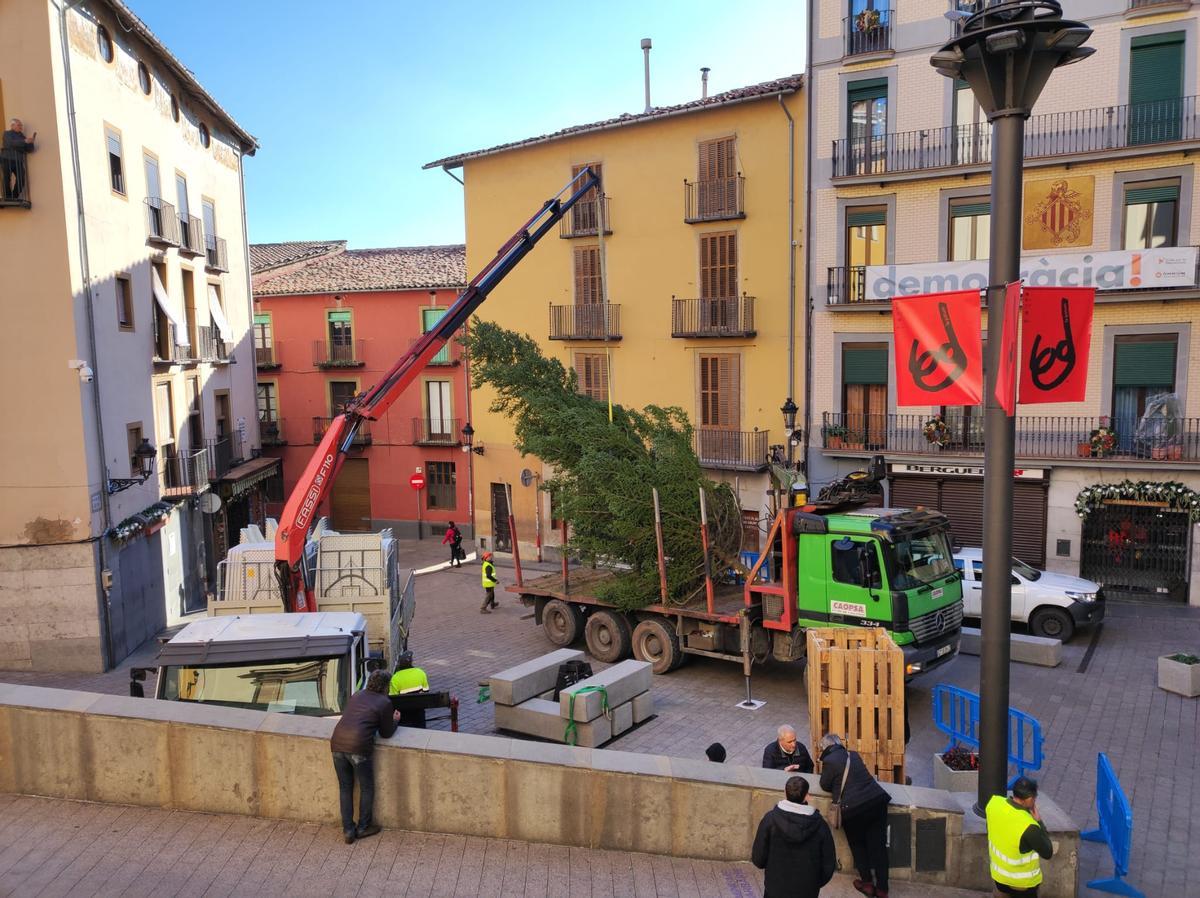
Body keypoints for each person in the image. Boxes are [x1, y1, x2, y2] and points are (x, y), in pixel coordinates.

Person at [329, 669, 399, 844]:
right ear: (385, 686)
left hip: (337, 743)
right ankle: (363, 827)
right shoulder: (384, 702)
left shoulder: (357, 695)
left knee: (345, 787)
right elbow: (386, 733)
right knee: (367, 787)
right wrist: (395, 719)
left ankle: (348, 830)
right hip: (358, 747)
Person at [818, 733, 892, 898]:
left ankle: (867, 884)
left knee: (858, 845)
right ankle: (882, 890)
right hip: (876, 801)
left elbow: (824, 784)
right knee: (879, 848)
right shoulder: (853, 754)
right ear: (838, 743)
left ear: (825, 748)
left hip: (853, 809)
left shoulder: (829, 761)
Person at [751, 775, 837, 898]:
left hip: (775, 888)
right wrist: (814, 883)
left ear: (785, 793)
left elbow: (758, 858)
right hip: (807, 891)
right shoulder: (821, 826)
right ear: (807, 795)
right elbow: (828, 864)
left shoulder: (770, 819)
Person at [986, 776, 1053, 897]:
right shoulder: (1029, 826)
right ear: (1029, 799)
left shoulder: (993, 803)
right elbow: (1048, 852)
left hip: (999, 878)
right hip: (1022, 885)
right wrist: (1039, 822)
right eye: (1034, 797)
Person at [2, 118, 35, 202]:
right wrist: (24, 141)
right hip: (7, 159)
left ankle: (13, 197)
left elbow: (29, 150)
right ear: (12, 126)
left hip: (18, 161)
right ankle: (7, 198)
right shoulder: (7, 133)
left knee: (21, 179)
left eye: (21, 125)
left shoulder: (22, 136)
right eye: (19, 125)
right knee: (6, 179)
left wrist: (31, 143)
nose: (21, 127)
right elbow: (10, 143)